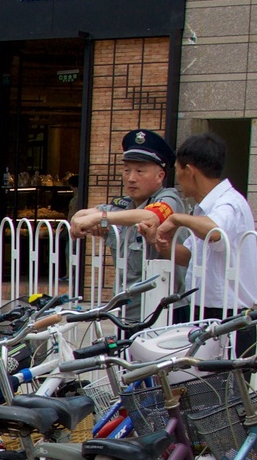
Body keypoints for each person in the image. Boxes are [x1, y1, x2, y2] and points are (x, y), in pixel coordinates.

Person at [68, 129, 183, 318]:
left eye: (140, 171)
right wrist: (78, 219)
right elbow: (83, 214)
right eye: (127, 170)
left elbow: (149, 216)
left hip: (163, 312)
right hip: (127, 311)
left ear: (160, 176)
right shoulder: (124, 206)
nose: (131, 178)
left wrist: (100, 219)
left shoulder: (169, 199)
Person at [165, 132, 257, 347]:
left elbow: (215, 231)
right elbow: (189, 257)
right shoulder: (203, 209)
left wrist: (177, 218)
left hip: (229, 315)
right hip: (206, 311)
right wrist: (160, 243)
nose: (178, 180)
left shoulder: (229, 203)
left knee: (226, 380)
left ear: (189, 171)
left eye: (178, 171)